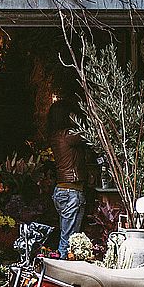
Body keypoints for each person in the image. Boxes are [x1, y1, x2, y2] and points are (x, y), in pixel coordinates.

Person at [47, 99, 89, 259]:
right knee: (69, 240)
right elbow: (89, 133)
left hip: (63, 190)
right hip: (71, 191)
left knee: (69, 237)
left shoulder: (56, 135)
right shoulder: (67, 135)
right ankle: (62, 272)